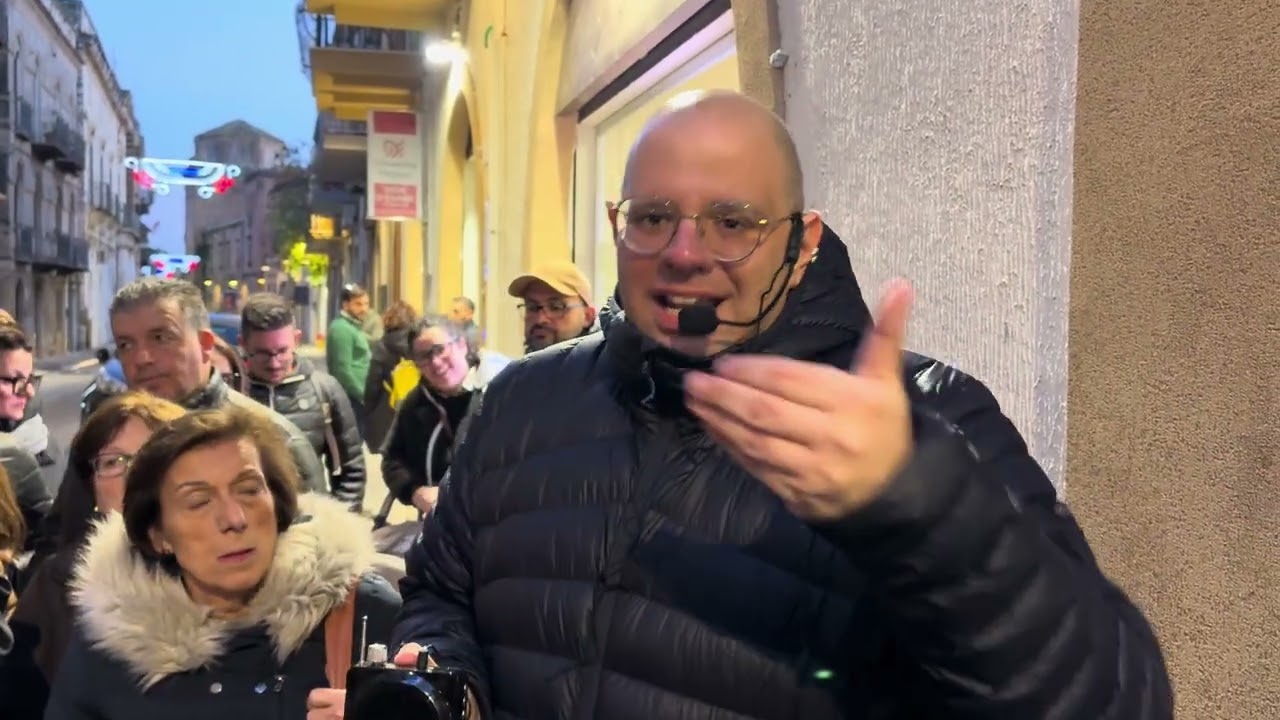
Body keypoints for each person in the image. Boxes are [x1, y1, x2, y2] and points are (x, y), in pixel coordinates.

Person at [389, 91, 1172, 719]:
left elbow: (1115, 699)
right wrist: (442, 688)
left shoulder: (927, 420)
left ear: (801, 245)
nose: (684, 253)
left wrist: (923, 509)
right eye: (653, 217)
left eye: (733, 222)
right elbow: (440, 591)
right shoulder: (525, 397)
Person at [43, 405, 401, 720]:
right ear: (159, 535)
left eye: (249, 490)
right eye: (198, 501)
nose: (234, 518)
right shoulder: (110, 643)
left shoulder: (363, 610)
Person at [3, 393, 186, 720]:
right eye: (112, 462)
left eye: (150, 456)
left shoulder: (225, 566)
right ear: (94, 489)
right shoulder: (59, 581)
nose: (133, 475)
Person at [240, 294, 366, 506]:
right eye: (263, 353)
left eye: (282, 351)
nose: (274, 363)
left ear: (296, 340)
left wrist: (338, 523)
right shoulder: (230, 394)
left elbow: (351, 470)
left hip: (310, 525)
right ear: (243, 344)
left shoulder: (325, 390)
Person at [379, 315, 506, 520]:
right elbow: (393, 460)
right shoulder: (415, 404)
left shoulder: (503, 390)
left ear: (462, 345)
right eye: (423, 357)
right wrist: (416, 492)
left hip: (497, 523)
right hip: (439, 527)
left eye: (439, 349)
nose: (435, 362)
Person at [362, 300, 419, 450]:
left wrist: (367, 413)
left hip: (387, 415)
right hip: (416, 412)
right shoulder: (419, 345)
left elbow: (372, 387)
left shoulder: (380, 347)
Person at [507, 261, 597, 353]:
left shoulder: (604, 365)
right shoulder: (520, 366)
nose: (540, 319)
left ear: (587, 316)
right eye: (532, 307)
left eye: (556, 307)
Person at [325, 283, 372, 426]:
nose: (364, 309)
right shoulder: (341, 329)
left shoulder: (353, 327)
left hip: (357, 398)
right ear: (345, 305)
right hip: (351, 399)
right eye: (358, 304)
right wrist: (362, 395)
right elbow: (342, 370)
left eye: (366, 304)